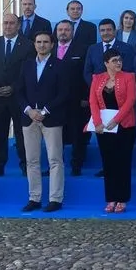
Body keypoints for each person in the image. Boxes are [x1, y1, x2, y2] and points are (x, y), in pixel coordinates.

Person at [16, 31, 69, 213]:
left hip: (51, 118)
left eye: (45, 42)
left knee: (55, 159)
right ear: (34, 44)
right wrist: (29, 110)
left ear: (52, 44)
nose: (42, 45)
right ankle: (34, 198)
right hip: (29, 118)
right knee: (32, 160)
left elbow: (64, 93)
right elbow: (19, 91)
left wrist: (45, 111)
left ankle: (55, 199)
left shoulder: (60, 66)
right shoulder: (26, 65)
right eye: (38, 42)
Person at [0, 12, 35, 177]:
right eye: (5, 23)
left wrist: (13, 87)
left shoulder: (27, 45)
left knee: (21, 133)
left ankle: (25, 165)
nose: (8, 26)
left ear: (18, 25)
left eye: (11, 23)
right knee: (0, 133)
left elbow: (28, 72)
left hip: (18, 97)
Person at [87, 48, 136, 213]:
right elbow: (93, 101)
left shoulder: (129, 77)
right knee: (108, 163)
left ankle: (122, 199)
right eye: (114, 60)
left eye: (119, 60)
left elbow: (130, 101)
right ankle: (111, 198)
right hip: (104, 129)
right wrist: (98, 122)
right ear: (106, 63)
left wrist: (115, 120)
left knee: (122, 163)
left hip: (124, 127)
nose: (118, 63)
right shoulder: (97, 78)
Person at [53, 19, 90, 177]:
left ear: (72, 32)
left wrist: (85, 96)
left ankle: (76, 165)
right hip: (54, 102)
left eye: (66, 30)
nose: (63, 32)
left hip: (76, 100)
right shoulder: (49, 48)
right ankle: (55, 166)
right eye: (60, 29)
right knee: (55, 136)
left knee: (77, 134)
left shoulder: (83, 50)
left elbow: (87, 75)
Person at [117, 9, 136, 74]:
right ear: (122, 19)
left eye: (131, 18)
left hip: (133, 71)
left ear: (134, 21)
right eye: (126, 18)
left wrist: (128, 68)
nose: (128, 20)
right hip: (116, 71)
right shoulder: (115, 34)